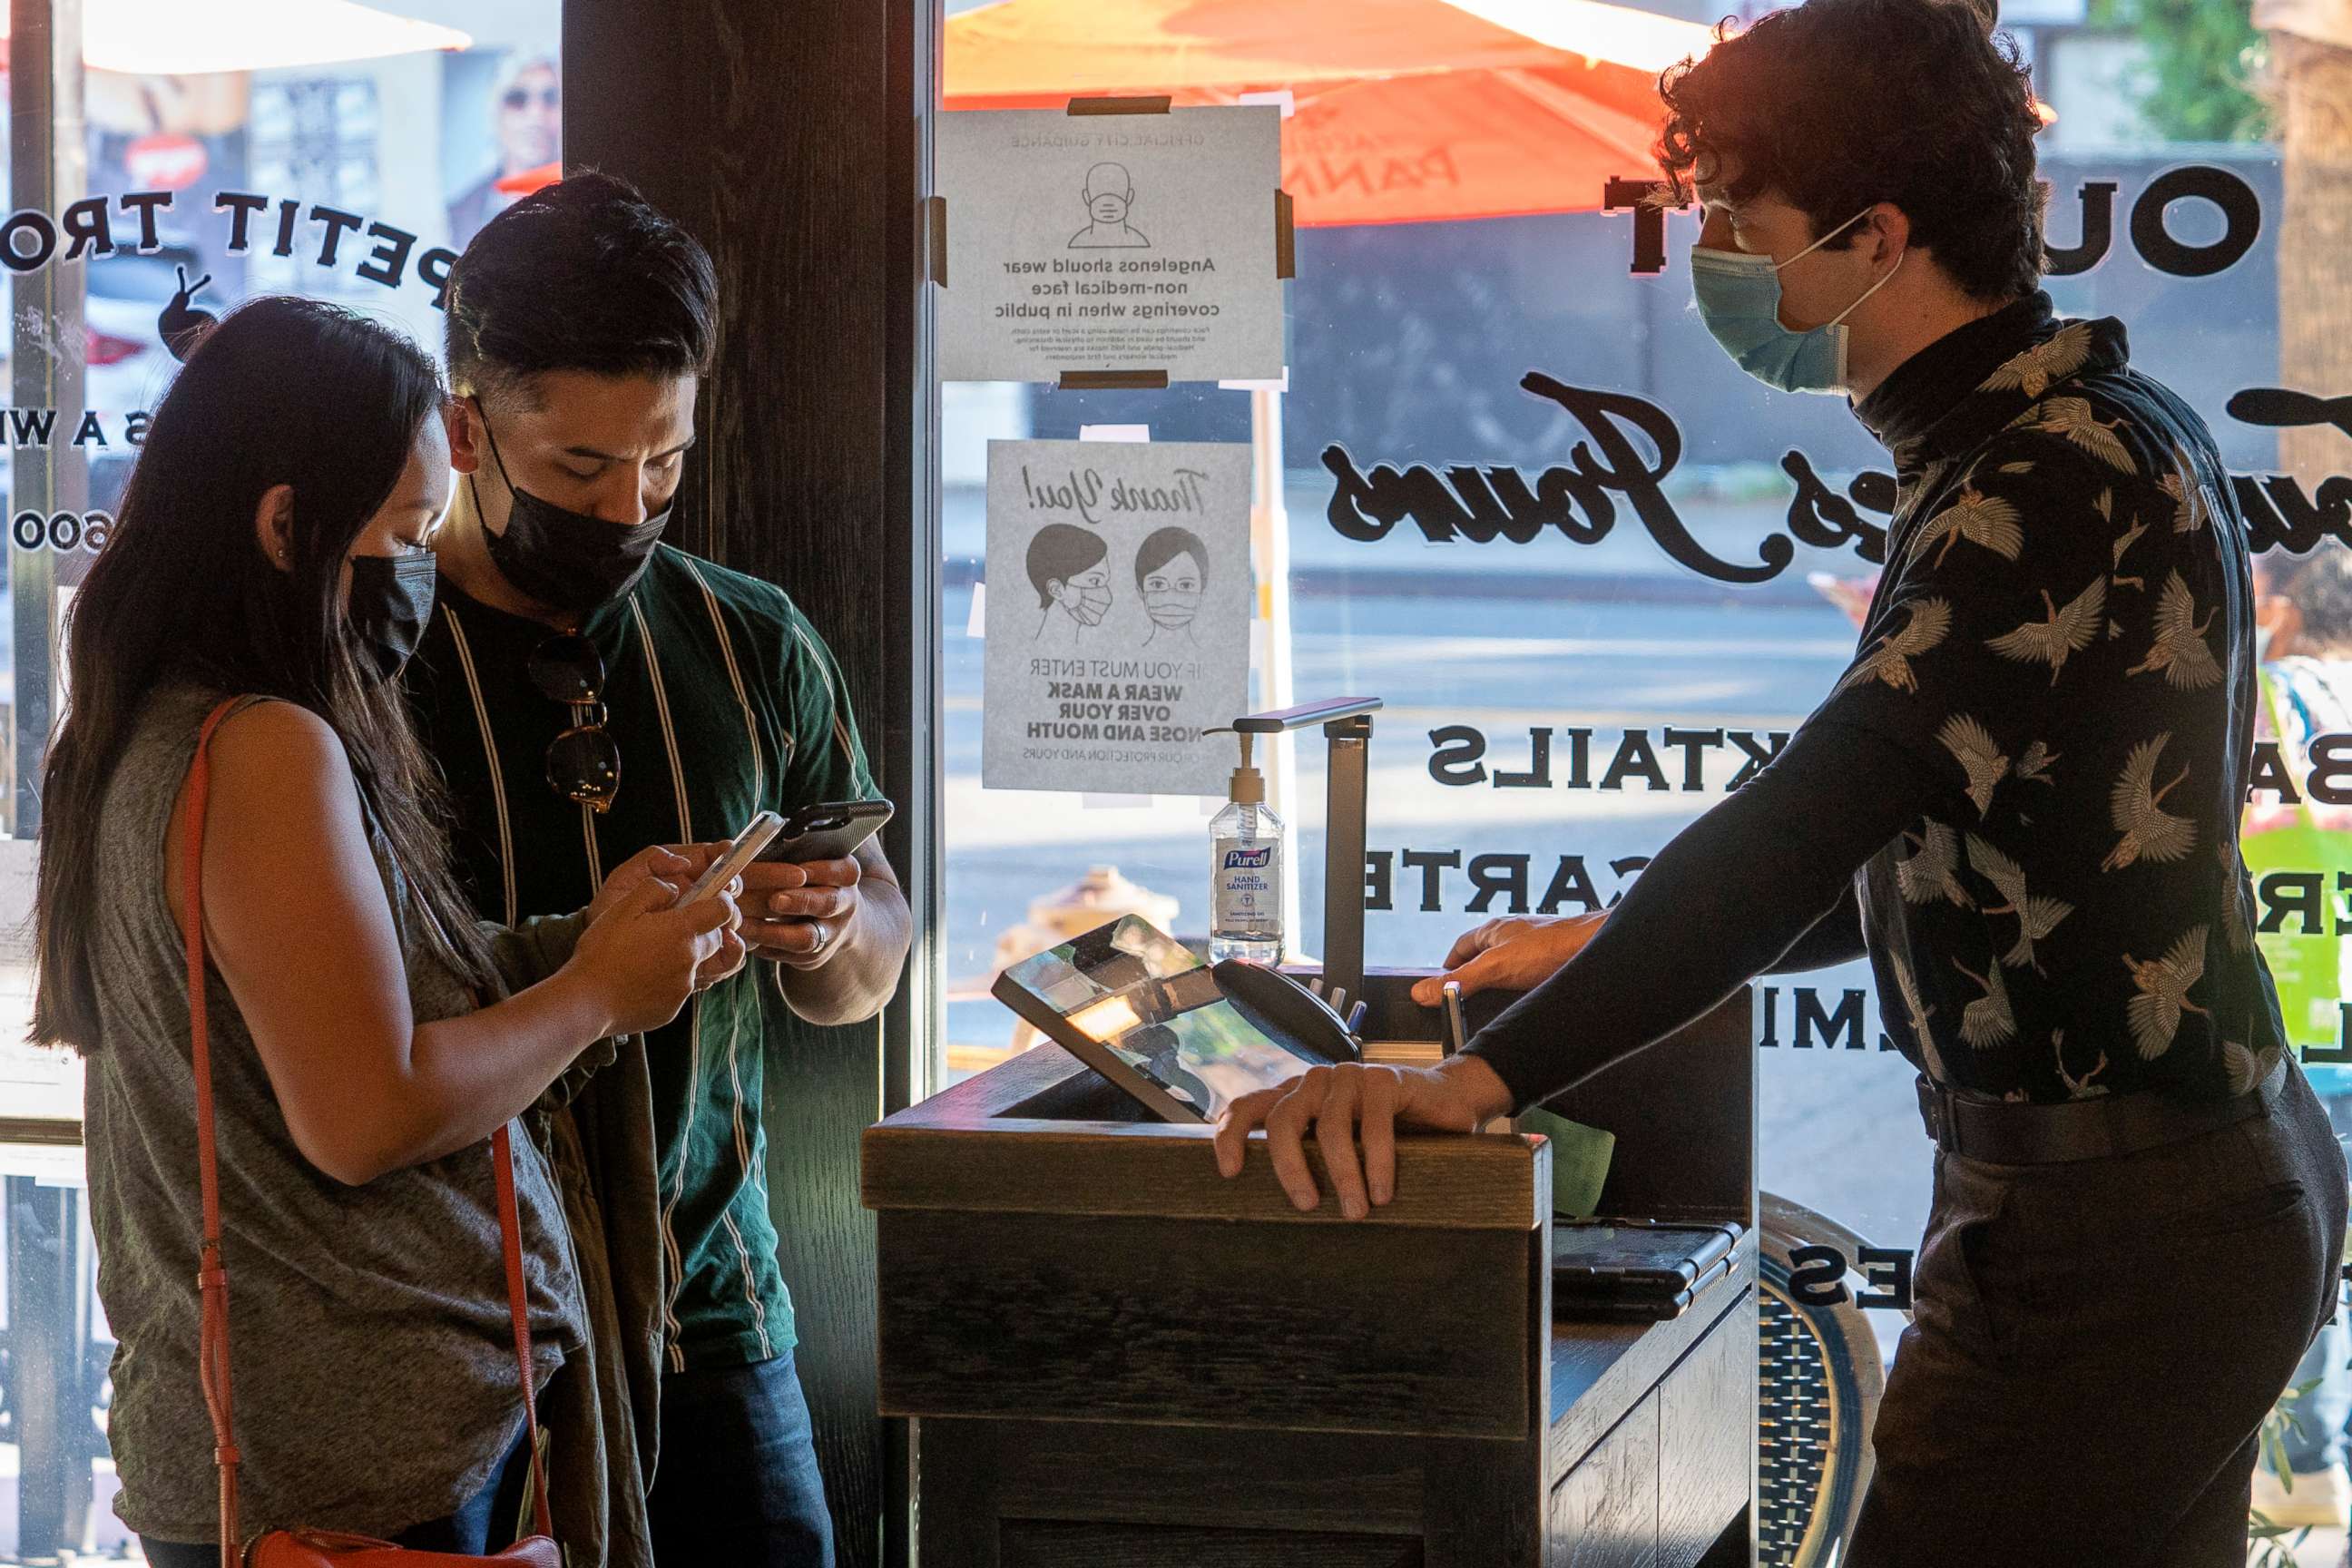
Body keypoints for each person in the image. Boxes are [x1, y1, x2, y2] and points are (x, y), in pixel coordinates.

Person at [1213, 1, 2347, 1562]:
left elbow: (1802, 823)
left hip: (2112, 1234)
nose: (1715, 261)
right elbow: (1934, 840)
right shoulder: (2069, 426)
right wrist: (1595, 943)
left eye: (1741, 219)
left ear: (1875, 236)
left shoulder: (2034, 478)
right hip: (2181, 1192)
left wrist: (1470, 1082)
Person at [31, 296, 743, 1561]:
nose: (422, 569)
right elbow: (368, 1113)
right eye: (409, 532)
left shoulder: (148, 725)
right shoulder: (260, 747)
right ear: (288, 526)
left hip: (308, 1450)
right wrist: (599, 996)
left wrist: (593, 942)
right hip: (356, 1470)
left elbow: (334, 1018)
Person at [406, 172, 912, 1568]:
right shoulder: (361, 667)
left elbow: (874, 950)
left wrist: (828, 929)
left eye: (666, 464)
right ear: (465, 428)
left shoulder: (754, 643)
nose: (631, 506)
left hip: (715, 1317)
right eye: (580, 472)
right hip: (455, 1328)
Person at [2244, 544, 2352, 1528]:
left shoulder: (2268, 699)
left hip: (2293, 1022)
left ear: (2280, 604)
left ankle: (2302, 1475)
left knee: (2305, 1264)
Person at [447, 55, 561, 250]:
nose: (536, 116)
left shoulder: (584, 204)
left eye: (550, 99)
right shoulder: (460, 213)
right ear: (496, 115)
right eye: (517, 100)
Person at [1068, 162, 1149, 250]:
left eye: (1117, 189)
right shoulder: (1077, 244)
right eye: (1098, 190)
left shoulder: (1140, 243)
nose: (1108, 202)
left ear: (1129, 196)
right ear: (1086, 197)